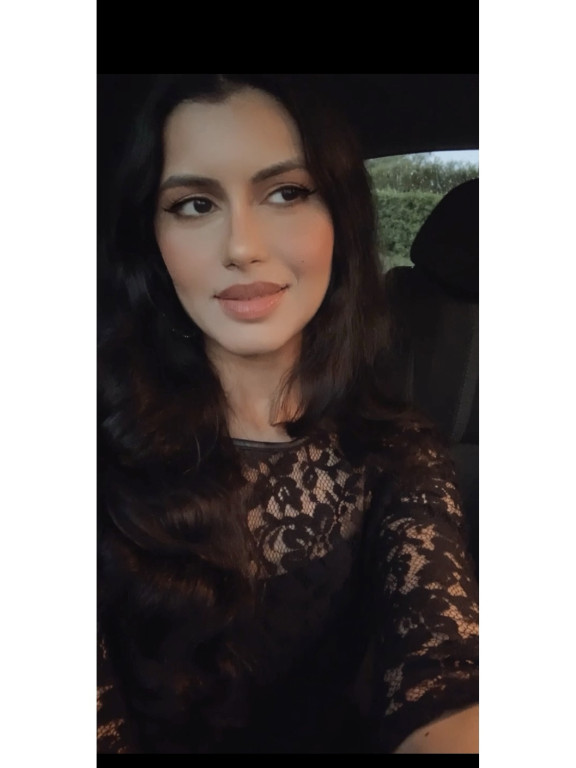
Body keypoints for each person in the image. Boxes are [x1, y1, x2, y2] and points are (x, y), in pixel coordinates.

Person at [97, 74, 479, 754]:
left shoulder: (397, 452)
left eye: (286, 193)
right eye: (193, 204)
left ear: (341, 220)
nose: (241, 246)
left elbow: (442, 678)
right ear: (152, 239)